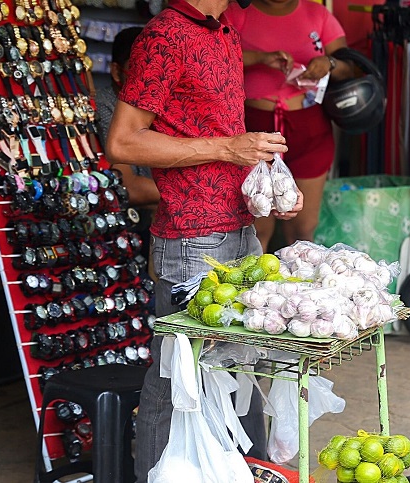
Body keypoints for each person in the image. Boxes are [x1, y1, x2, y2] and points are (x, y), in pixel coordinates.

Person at [104, 0, 304, 479]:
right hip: (192, 240)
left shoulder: (225, 33)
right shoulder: (165, 36)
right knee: (177, 381)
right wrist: (227, 148)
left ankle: (245, 470)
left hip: (239, 228)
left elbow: (217, 136)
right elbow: (123, 142)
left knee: (239, 367)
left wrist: (263, 184)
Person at [225, 0, 350, 252]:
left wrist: (329, 63)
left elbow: (350, 67)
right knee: (256, 228)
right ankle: (253, 289)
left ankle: (297, 289)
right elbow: (214, 55)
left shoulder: (317, 14)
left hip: (309, 128)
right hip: (252, 129)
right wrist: (260, 58)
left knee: (303, 230)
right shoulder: (237, 12)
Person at [96, 26, 160, 260]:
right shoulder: (105, 107)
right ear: (116, 72)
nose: (148, 77)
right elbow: (128, 188)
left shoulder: (154, 106)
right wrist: (193, 196)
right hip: (119, 233)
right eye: (139, 69)